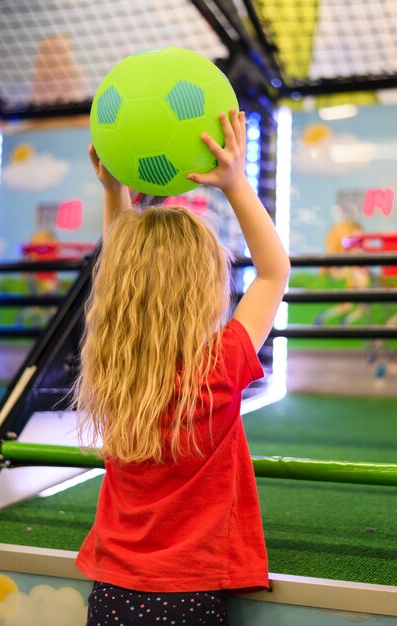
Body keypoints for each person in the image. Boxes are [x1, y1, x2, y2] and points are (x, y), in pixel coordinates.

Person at [73, 109, 290, 625]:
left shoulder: (113, 365)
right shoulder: (220, 364)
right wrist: (236, 184)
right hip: (190, 593)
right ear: (203, 288)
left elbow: (116, 280)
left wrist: (112, 193)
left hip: (112, 592)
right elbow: (274, 272)